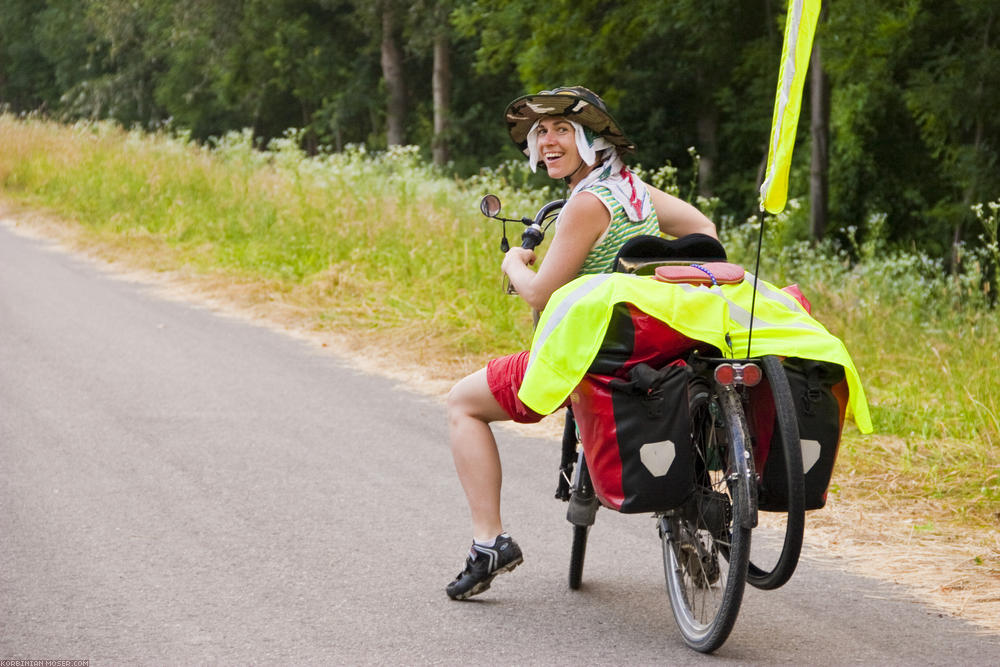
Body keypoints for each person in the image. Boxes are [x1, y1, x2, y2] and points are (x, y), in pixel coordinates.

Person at [445, 86, 719, 600]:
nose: (547, 140)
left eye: (561, 131)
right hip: (652, 343)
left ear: (591, 140)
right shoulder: (635, 191)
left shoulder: (586, 204)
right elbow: (703, 229)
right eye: (540, 132)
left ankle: (488, 543)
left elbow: (541, 292)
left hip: (595, 352)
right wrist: (656, 278)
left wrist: (512, 264)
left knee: (462, 403)